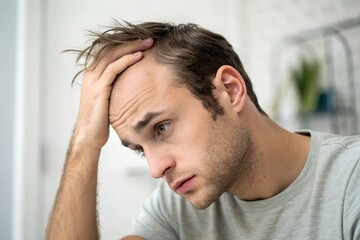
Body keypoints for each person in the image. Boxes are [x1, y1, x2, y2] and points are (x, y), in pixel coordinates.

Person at [46, 21, 360, 240]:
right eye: (140, 149)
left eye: (162, 127)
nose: (157, 170)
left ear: (230, 90)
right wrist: (84, 144)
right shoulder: (178, 207)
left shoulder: (351, 181)